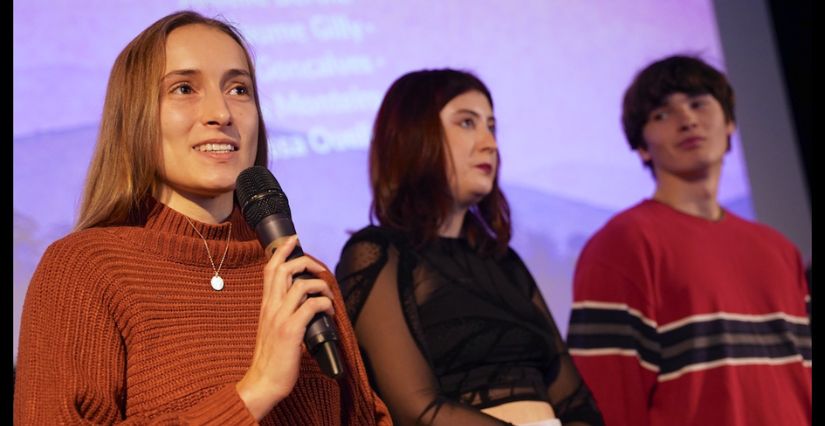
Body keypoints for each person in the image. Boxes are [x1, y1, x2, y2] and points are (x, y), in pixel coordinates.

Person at [13, 10, 390, 424]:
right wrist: (255, 390)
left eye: (239, 89)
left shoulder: (303, 275)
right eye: (184, 88)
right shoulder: (84, 270)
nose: (221, 113)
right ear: (135, 116)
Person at [334, 69, 604, 426]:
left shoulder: (504, 261)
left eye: (491, 126)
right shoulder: (379, 253)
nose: (489, 143)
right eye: (466, 123)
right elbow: (417, 411)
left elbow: (576, 402)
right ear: (413, 137)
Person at [566, 55, 812, 425]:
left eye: (698, 103)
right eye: (662, 114)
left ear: (729, 123)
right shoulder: (621, 244)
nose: (687, 120)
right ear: (642, 146)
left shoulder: (779, 250)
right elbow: (607, 399)